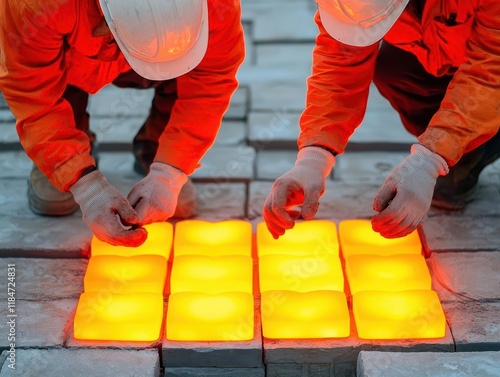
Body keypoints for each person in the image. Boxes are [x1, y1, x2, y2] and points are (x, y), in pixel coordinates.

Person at [0, 0, 245, 246]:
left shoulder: (216, 6)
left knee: (185, 63)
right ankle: (67, 156)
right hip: (69, 53)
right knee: (55, 197)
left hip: (146, 45)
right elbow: (31, 92)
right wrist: (83, 183)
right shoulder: (37, 6)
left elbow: (210, 83)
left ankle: (156, 149)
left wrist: (170, 172)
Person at [263, 0, 500, 239]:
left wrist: (429, 160)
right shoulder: (353, 4)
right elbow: (340, 65)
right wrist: (313, 159)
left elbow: (490, 72)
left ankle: (470, 144)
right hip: (451, 53)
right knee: (395, 71)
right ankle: (465, 155)